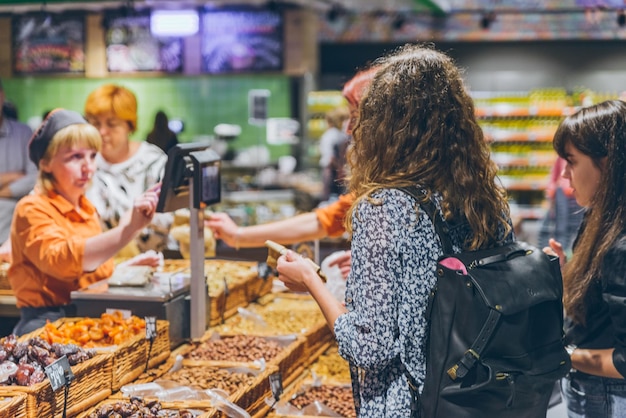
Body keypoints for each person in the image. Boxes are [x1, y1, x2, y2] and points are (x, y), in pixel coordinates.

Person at [275, 44, 513, 417]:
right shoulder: (485, 201)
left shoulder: (385, 208)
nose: (355, 128)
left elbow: (369, 346)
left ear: (386, 125)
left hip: (413, 403)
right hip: (478, 395)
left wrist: (310, 280)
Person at [206, 66, 379, 279]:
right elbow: (324, 220)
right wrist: (237, 235)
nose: (348, 130)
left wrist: (309, 279)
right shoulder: (378, 190)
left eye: (355, 116)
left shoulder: (403, 195)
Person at [8, 109, 161, 336]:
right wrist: (127, 230)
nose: (88, 168)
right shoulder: (32, 208)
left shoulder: (86, 208)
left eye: (92, 155)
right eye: (75, 157)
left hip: (87, 320)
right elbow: (63, 261)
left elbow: (85, 276)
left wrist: (123, 273)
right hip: (46, 326)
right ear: (46, 163)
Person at [543, 100, 626, 418]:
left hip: (606, 398)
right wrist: (566, 277)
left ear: (607, 163)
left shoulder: (619, 244)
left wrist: (563, 355)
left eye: (572, 161)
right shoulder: (599, 221)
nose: (564, 174)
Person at [84, 84, 171, 255]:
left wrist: (135, 221)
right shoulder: (85, 163)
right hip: (99, 265)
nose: (102, 132)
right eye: (95, 123)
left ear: (129, 126)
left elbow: (172, 217)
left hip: (154, 262)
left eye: (112, 124)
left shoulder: (153, 162)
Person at [0, 78, 36, 257]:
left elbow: (33, 177)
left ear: (2, 96)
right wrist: (13, 176)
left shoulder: (23, 133)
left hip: (13, 231)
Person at [538, 156, 584, 254]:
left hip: (578, 194)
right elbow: (555, 173)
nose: (565, 173)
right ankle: (562, 255)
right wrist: (551, 193)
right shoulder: (564, 152)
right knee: (562, 229)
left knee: (580, 229)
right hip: (564, 194)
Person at [319, 106, 349, 200]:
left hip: (332, 170)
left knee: (330, 197)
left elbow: (330, 158)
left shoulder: (331, 134)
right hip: (334, 171)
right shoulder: (338, 135)